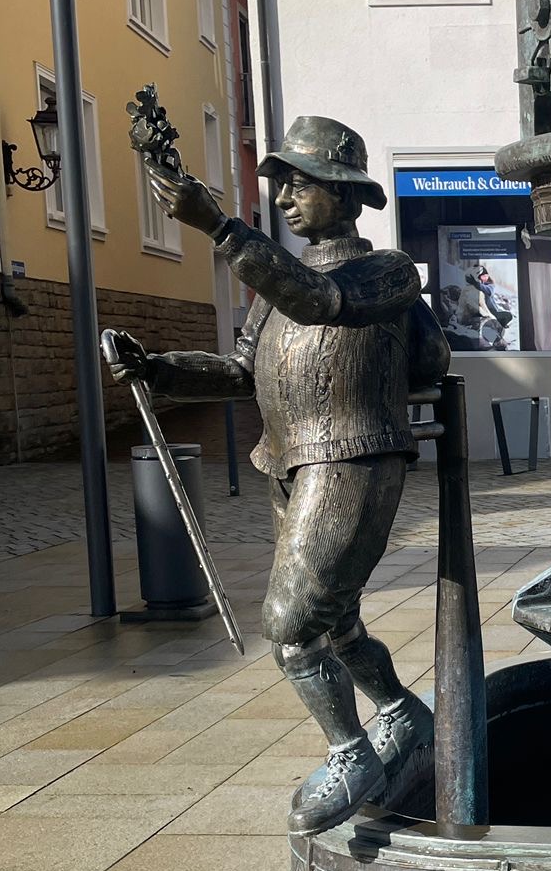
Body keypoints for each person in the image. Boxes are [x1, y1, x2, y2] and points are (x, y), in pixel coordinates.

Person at [106, 114, 450, 833]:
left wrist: (220, 226)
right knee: (337, 618)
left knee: (291, 624)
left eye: (302, 184)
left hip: (351, 454)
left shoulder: (386, 271)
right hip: (289, 461)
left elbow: (321, 301)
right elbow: (242, 371)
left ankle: (351, 752)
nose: (286, 198)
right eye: (281, 185)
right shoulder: (275, 287)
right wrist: (159, 369)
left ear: (345, 194)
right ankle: (401, 712)